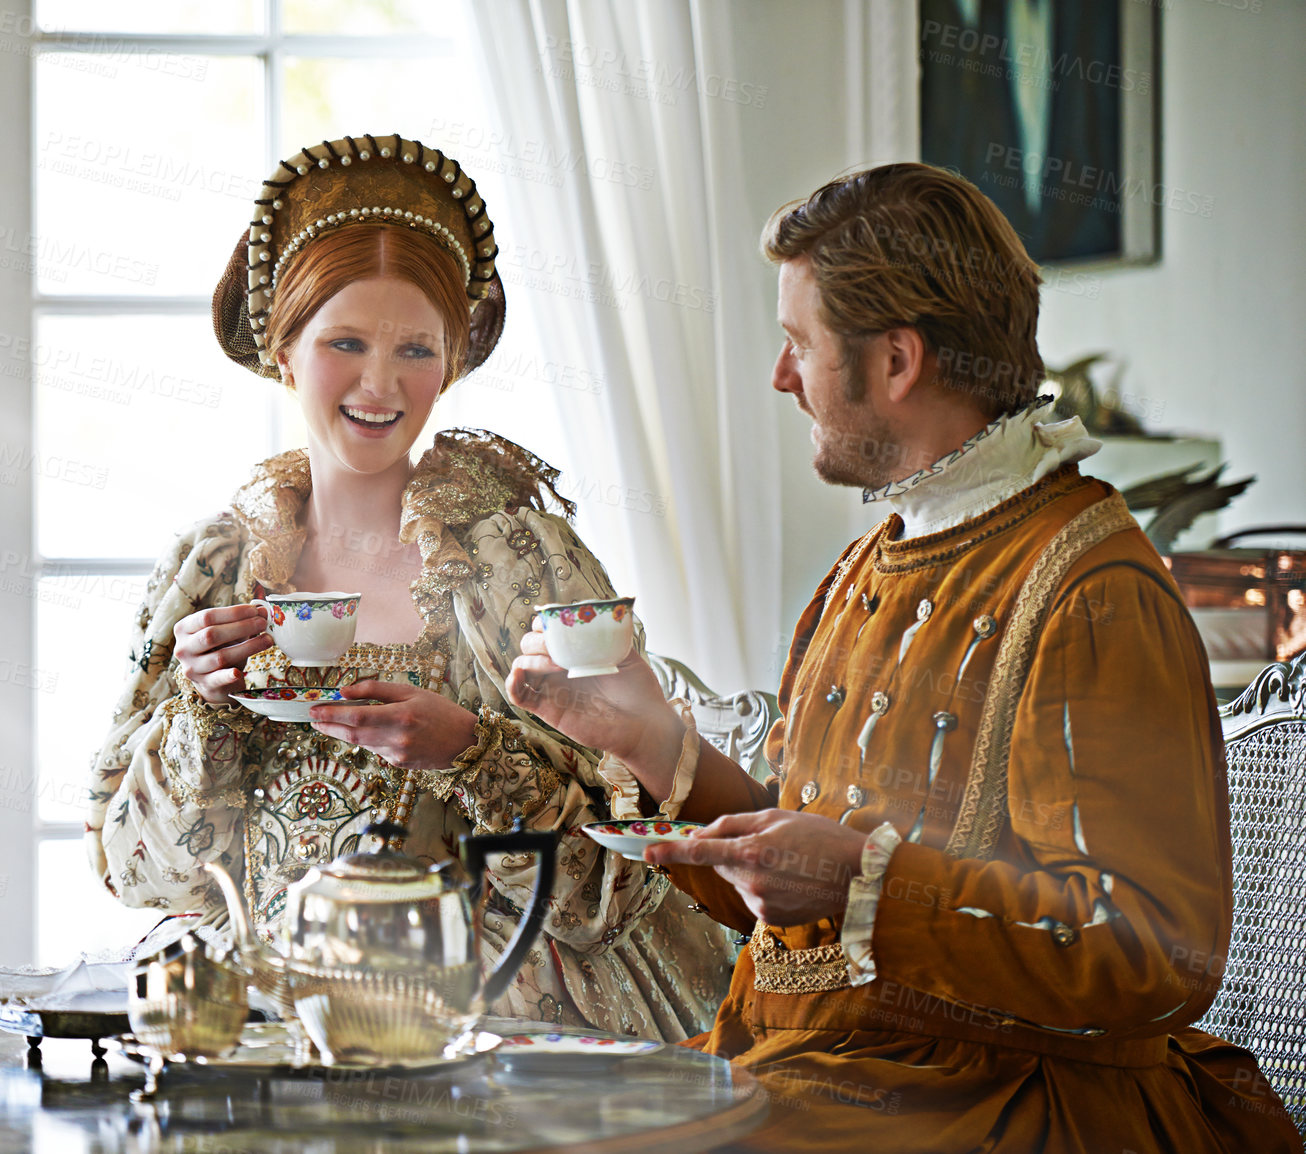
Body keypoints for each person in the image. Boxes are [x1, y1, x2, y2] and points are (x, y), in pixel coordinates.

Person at [506, 163, 1301, 1151]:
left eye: (797, 342)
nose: (779, 374)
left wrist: (862, 883)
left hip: (1009, 1101)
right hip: (814, 1066)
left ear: (894, 362)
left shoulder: (1092, 590)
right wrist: (637, 733)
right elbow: (793, 912)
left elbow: (1154, 956)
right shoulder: (866, 562)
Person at [82, 134, 730, 1040]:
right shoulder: (214, 570)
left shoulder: (523, 562)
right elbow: (140, 877)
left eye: (416, 350)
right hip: (263, 1018)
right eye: (345, 342)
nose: (380, 385)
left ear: (453, 363)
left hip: (494, 1019)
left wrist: (474, 755)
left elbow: (617, 891)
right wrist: (203, 709)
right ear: (283, 350)